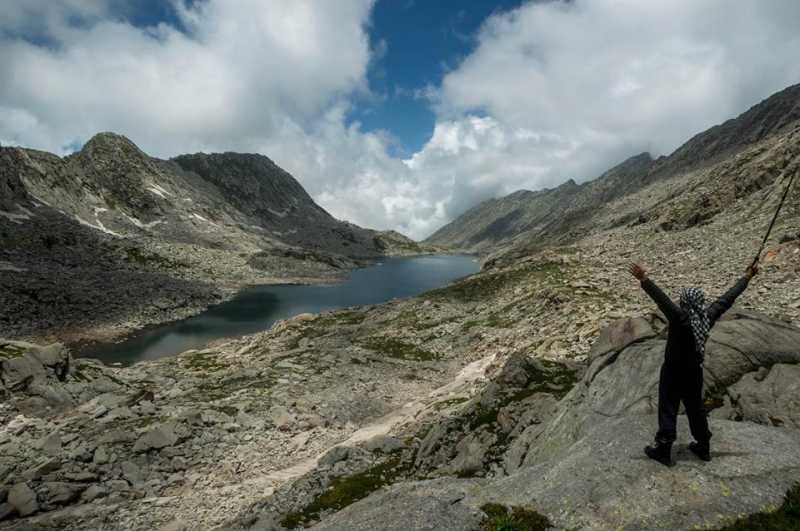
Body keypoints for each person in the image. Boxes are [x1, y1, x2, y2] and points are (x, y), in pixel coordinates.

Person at [627, 262, 758, 466]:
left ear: (685, 302)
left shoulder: (679, 317)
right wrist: (747, 277)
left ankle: (663, 448)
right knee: (695, 408)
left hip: (672, 371)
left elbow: (662, 301)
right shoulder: (707, 316)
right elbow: (727, 299)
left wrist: (644, 279)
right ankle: (703, 446)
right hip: (694, 372)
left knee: (668, 407)